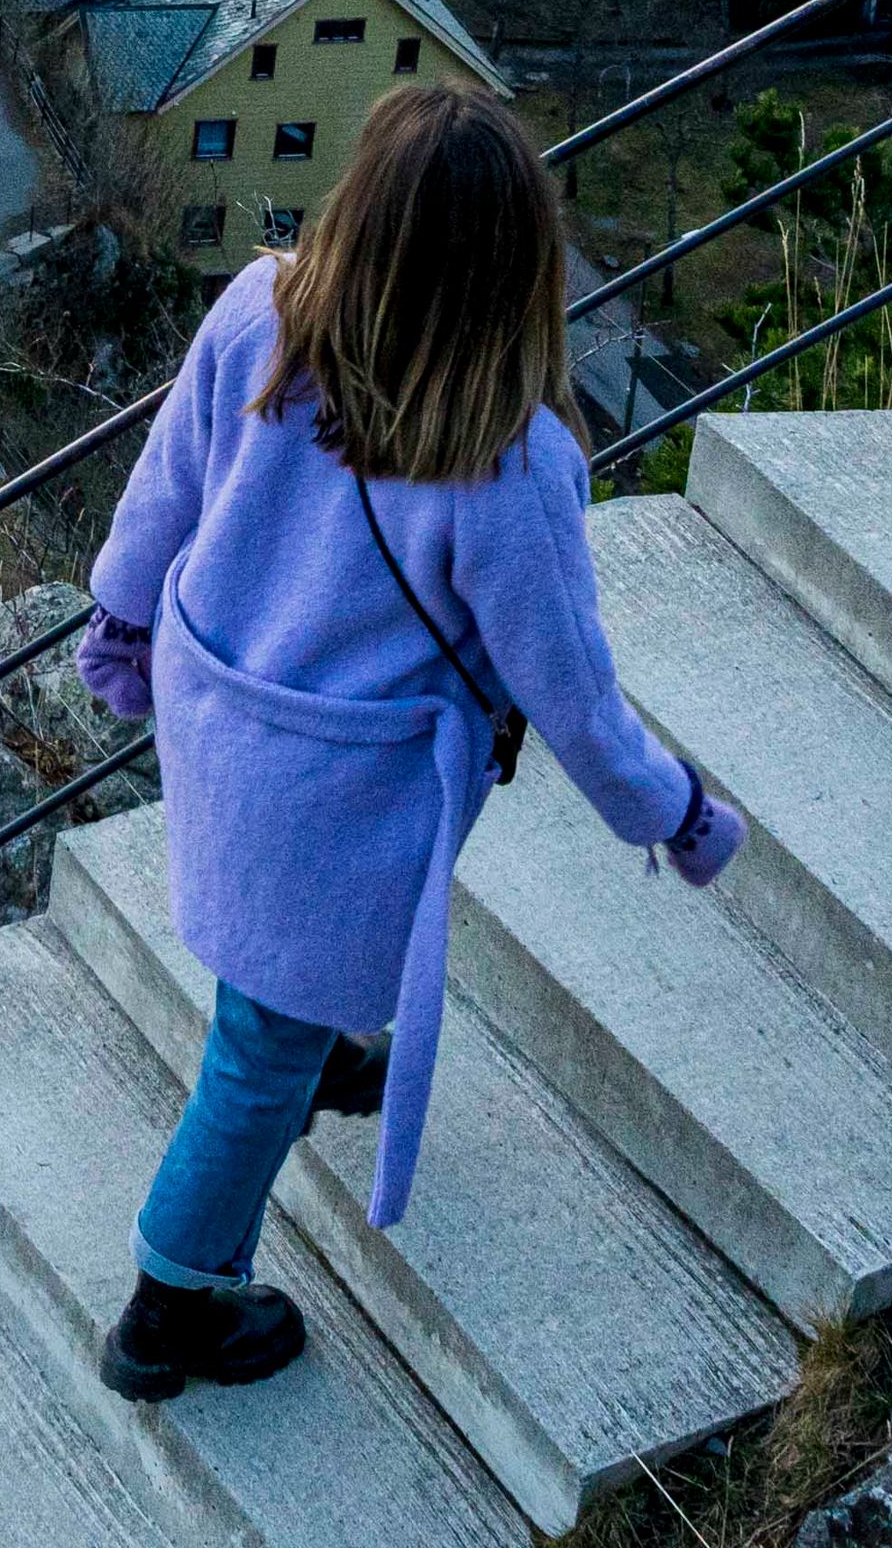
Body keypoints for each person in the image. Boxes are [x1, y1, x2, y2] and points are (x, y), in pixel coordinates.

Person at [79, 84, 745, 1402]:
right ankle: (173, 1307)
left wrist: (120, 614)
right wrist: (672, 810)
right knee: (253, 1050)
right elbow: (572, 691)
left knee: (275, 988)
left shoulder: (261, 307)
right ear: (519, 266)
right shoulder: (508, 462)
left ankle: (318, 1042)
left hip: (223, 722)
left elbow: (168, 476)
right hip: (342, 796)